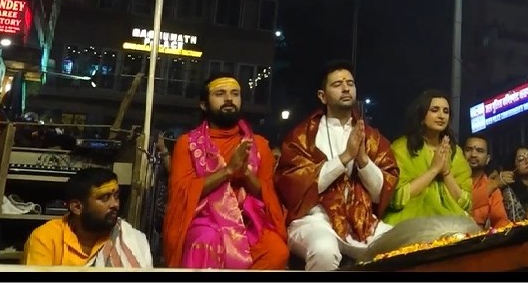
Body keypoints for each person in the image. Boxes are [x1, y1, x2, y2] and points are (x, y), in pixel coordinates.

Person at [275, 61, 399, 271]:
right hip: (315, 221)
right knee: (324, 250)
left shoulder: (372, 139)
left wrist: (362, 160)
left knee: (403, 244)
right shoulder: (301, 136)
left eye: (350, 83)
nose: (345, 88)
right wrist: (344, 157)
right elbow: (297, 189)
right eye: (337, 84)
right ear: (322, 96)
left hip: (363, 222)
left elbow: (380, 194)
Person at [162, 74, 289, 269]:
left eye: (235, 94)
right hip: (204, 220)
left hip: (249, 222)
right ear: (204, 105)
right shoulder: (186, 144)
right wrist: (228, 171)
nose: (229, 99)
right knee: (206, 241)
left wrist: (245, 173)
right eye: (220, 93)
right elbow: (182, 193)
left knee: (276, 251)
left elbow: (268, 194)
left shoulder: (259, 145)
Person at [23, 166, 152, 267]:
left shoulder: (131, 239)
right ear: (77, 207)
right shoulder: (46, 238)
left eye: (116, 196)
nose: (115, 204)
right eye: (105, 198)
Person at [381, 89, 472, 226]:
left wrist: (446, 173)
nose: (441, 116)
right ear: (421, 117)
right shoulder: (402, 148)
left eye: (446, 111)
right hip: (409, 224)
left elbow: (466, 204)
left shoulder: (455, 152)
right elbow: (396, 199)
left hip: (451, 222)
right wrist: (433, 170)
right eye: (435, 110)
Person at [463, 135, 510, 230]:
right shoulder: (451, 180)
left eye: (480, 151)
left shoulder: (493, 190)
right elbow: (458, 208)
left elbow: (501, 221)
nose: (473, 154)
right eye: (468, 150)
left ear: (488, 159)